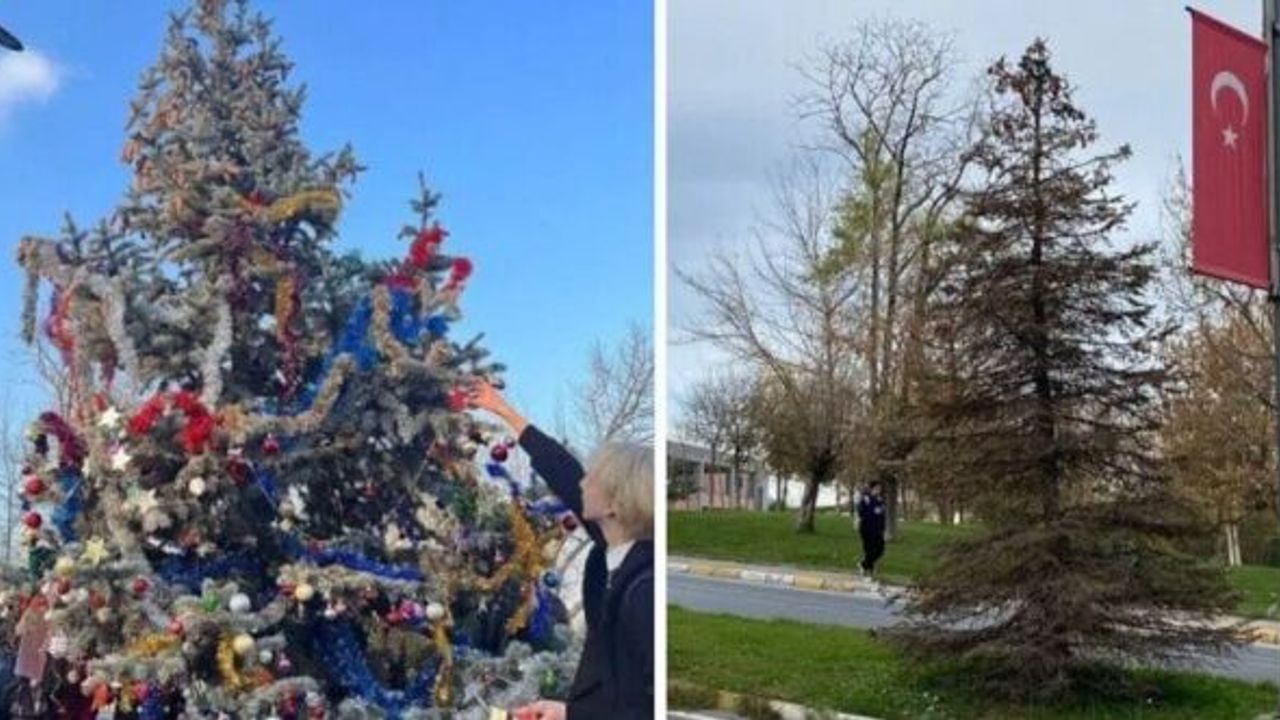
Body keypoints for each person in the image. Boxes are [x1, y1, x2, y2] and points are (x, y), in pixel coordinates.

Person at [468, 378, 654, 720]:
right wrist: (569, 713)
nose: (583, 483)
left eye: (593, 478)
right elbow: (564, 471)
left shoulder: (644, 591)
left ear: (615, 504)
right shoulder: (608, 555)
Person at [856, 480, 886, 577]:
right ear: (872, 489)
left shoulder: (880, 500)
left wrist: (883, 528)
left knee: (880, 550)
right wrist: (872, 511)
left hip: (878, 529)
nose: (879, 490)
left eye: (880, 489)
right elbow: (861, 512)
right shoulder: (866, 499)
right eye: (877, 488)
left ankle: (863, 564)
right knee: (869, 550)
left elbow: (882, 516)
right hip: (867, 528)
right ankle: (869, 570)